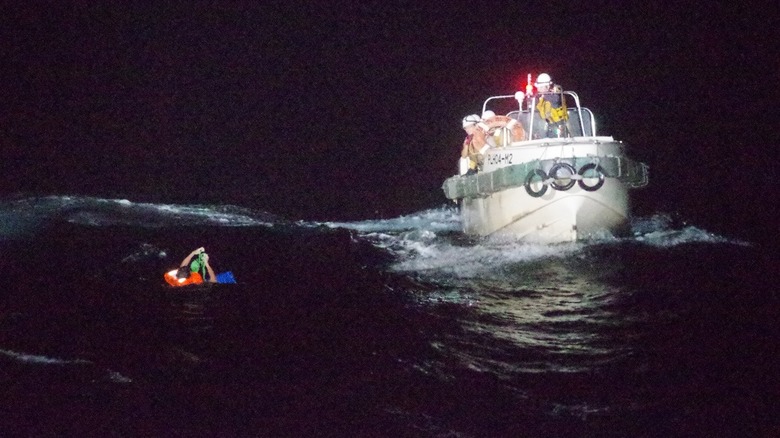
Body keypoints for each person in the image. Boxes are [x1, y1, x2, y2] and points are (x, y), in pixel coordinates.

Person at [534, 73, 570, 138]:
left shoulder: (554, 96)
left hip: (557, 125)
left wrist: (544, 95)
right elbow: (537, 107)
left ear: (547, 86)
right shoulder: (541, 97)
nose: (538, 89)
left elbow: (555, 100)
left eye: (541, 87)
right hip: (548, 124)